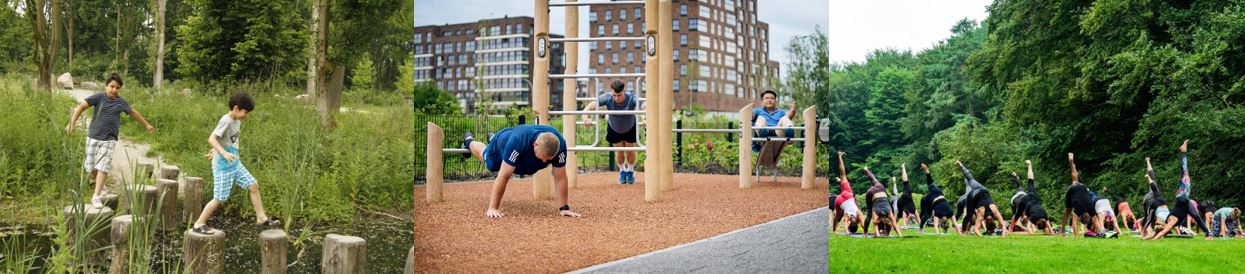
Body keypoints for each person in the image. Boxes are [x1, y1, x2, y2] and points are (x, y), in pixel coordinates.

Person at [190, 92, 279, 235]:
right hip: (223, 167)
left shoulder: (236, 121)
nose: (247, 116)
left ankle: (261, 218)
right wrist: (222, 153)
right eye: (245, 112)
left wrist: (215, 150)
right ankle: (199, 224)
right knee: (219, 198)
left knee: (253, 185)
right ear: (236, 108)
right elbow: (212, 138)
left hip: (235, 163)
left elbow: (223, 139)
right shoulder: (226, 120)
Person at [65, 73, 156, 209]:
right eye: (112, 86)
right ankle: (102, 187)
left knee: (103, 166)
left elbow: (133, 113)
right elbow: (81, 107)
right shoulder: (98, 97)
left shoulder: (121, 102)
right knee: (89, 167)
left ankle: (96, 196)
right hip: (93, 136)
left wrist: (147, 125)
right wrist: (72, 123)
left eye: (117, 87)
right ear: (106, 86)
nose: (114, 90)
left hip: (109, 139)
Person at [462, 125, 579, 219]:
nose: (544, 161)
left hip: (524, 160)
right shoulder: (518, 141)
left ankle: (492, 137)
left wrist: (564, 208)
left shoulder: (560, 145)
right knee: (490, 163)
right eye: (543, 157)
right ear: (535, 144)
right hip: (502, 144)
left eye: (548, 160)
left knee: (537, 165)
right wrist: (493, 208)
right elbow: (503, 176)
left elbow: (560, 177)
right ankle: (469, 141)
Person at [1145, 140, 1212, 240]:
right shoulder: (1170, 222)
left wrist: (1154, 239)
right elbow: (1162, 231)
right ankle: (1208, 234)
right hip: (1185, 204)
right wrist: (1148, 238)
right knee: (1196, 216)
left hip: (1181, 198)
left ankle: (1183, 151)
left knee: (1185, 173)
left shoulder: (1170, 221)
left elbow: (1163, 231)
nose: (1168, 229)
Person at [581, 80, 641, 184]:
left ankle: (630, 171)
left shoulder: (631, 97)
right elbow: (588, 107)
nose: (616, 98)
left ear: (624, 91)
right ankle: (622, 170)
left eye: (619, 95)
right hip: (614, 128)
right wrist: (586, 118)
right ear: (611, 92)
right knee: (620, 151)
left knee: (630, 151)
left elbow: (646, 105)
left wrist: (647, 116)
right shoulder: (608, 97)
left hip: (630, 127)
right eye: (614, 95)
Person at [957, 161, 1008, 237]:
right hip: (973, 196)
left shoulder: (995, 211)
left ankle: (960, 165)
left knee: (970, 178)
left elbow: (1003, 225)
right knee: (969, 215)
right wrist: (982, 237)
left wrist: (1003, 236)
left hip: (982, 189)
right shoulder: (981, 215)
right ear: (986, 224)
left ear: (994, 221)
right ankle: (964, 231)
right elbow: (976, 229)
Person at [1062, 153, 1099, 238]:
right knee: (1075, 181)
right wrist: (1099, 235)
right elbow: (1075, 223)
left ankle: (1062, 231)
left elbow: (1095, 222)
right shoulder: (1079, 211)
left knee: (1075, 180)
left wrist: (1099, 233)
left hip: (1083, 188)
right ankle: (1072, 164)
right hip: (1072, 192)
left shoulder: (1091, 209)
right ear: (1081, 217)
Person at [862, 166, 902, 237]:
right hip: (875, 195)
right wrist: (900, 236)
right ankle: (865, 233)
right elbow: (895, 225)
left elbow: (894, 224)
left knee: (869, 215)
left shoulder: (889, 212)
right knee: (869, 215)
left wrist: (900, 235)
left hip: (877, 190)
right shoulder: (883, 213)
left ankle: (867, 170)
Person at [918, 163, 959, 234]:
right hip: (933, 197)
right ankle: (921, 229)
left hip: (936, 195)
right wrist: (960, 233)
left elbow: (937, 227)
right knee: (927, 215)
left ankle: (926, 170)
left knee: (930, 183)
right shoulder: (948, 213)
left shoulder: (947, 213)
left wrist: (960, 233)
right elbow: (954, 224)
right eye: (945, 222)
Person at [830, 152, 863, 234]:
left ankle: (840, 156)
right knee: (837, 216)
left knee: (843, 175)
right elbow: (845, 226)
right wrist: (847, 233)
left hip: (847, 196)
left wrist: (866, 232)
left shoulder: (858, 213)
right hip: (839, 201)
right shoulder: (847, 216)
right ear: (850, 224)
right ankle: (834, 231)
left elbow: (863, 225)